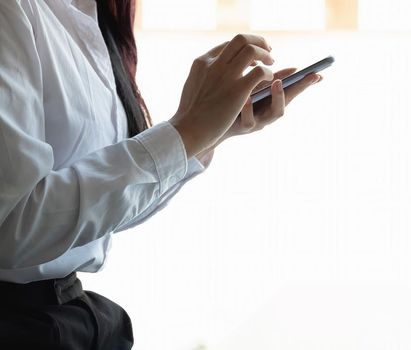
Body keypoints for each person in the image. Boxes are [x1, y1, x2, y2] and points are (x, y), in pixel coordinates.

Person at [0, 0, 322, 348]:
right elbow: (12, 228)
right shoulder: (14, 11)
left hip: (69, 320)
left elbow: (98, 214)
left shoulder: (90, 18)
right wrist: (187, 131)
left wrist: (206, 135)